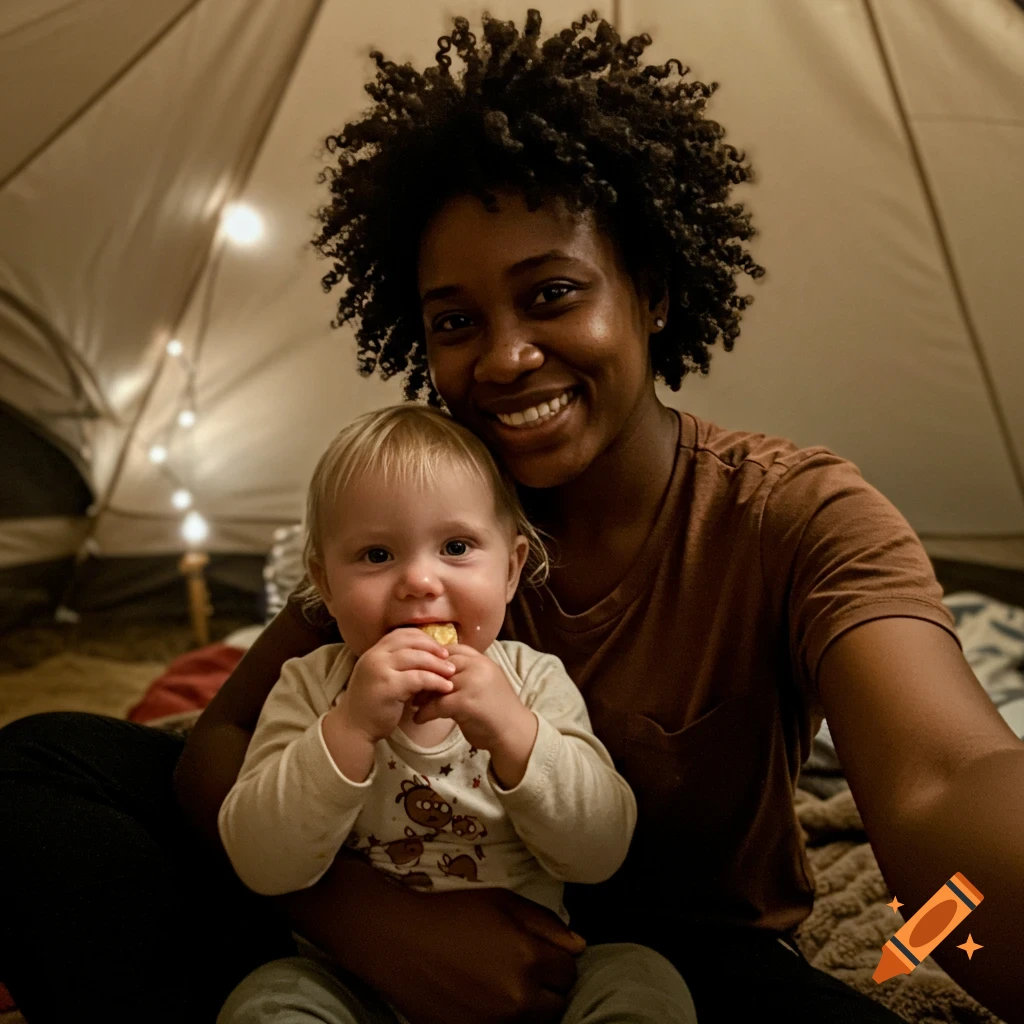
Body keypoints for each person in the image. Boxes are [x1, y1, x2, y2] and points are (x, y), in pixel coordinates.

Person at [1, 9, 1022, 1024]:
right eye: (456, 322)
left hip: (677, 957)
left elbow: (944, 778)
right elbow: (217, 741)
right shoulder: (424, 511)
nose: (502, 356)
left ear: (652, 291)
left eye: (552, 294)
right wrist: (374, 924)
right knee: (36, 771)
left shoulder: (793, 515)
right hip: (376, 928)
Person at [216, 404, 694, 1023]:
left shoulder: (531, 681)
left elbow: (600, 851)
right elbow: (260, 862)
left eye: (456, 547)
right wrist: (349, 730)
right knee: (269, 998)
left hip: (536, 987)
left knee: (643, 979)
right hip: (355, 988)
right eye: (376, 555)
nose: (419, 579)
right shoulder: (310, 687)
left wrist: (517, 736)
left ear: (512, 568)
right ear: (324, 583)